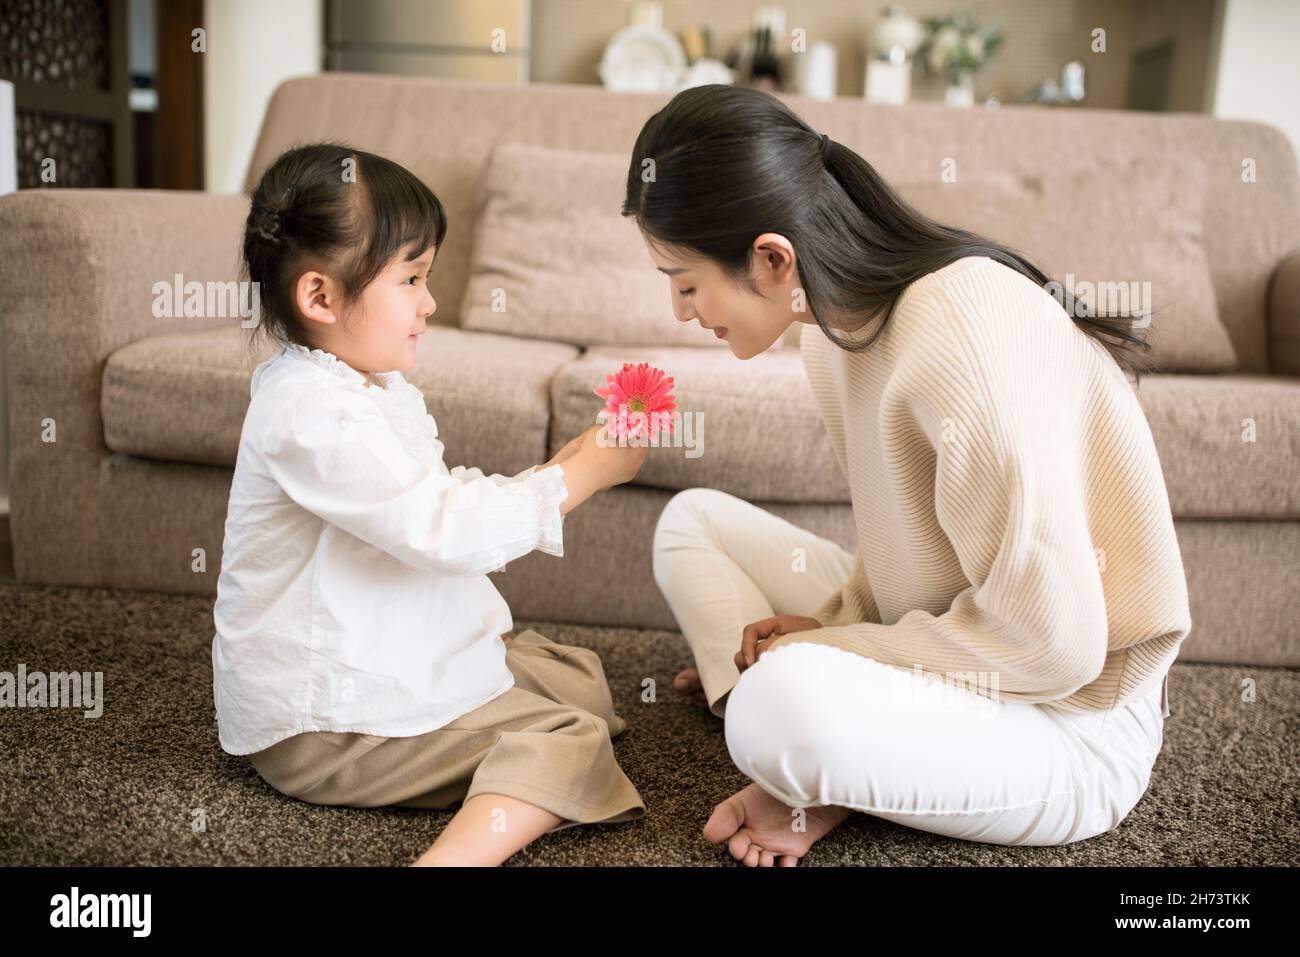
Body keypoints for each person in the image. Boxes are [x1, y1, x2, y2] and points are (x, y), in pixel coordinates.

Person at [630, 85, 1187, 865]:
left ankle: (808, 753)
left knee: (777, 705)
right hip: (966, 630)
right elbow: (910, 533)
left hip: (1074, 717)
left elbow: (1055, 642)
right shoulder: (832, 334)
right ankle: (822, 754)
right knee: (691, 520)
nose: (682, 311)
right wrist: (838, 624)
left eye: (686, 282)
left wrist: (840, 652)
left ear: (771, 258)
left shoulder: (958, 333)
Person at [212, 143, 647, 866]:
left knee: (578, 678)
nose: (430, 302)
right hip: (326, 722)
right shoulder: (311, 415)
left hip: (374, 657)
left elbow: (434, 497)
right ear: (320, 297)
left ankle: (491, 719)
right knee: (570, 736)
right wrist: (583, 479)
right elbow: (443, 530)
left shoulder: (369, 387)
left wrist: (565, 464)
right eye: (412, 278)